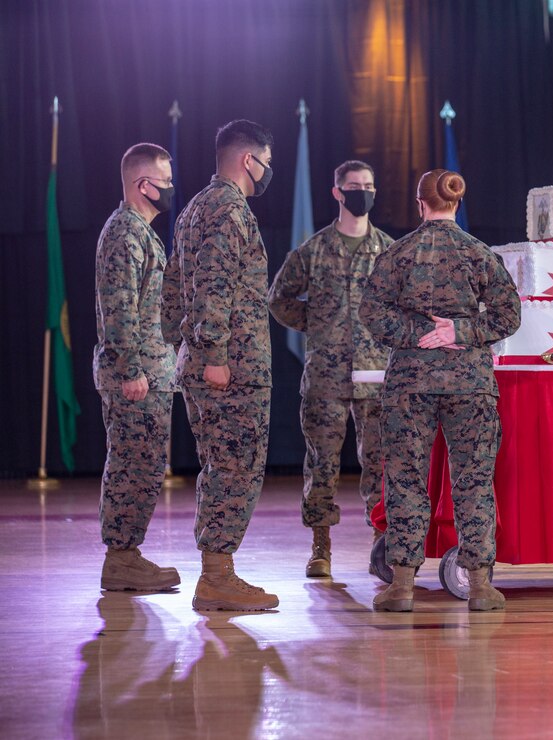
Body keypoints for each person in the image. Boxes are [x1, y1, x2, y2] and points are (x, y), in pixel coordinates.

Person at [360, 169, 521, 612]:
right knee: (474, 482)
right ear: (456, 203)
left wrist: (416, 333)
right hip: (470, 384)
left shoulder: (398, 252)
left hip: (410, 385)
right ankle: (482, 587)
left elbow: (371, 313)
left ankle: (402, 587)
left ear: (420, 203)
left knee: (406, 481)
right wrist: (461, 331)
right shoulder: (479, 253)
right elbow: (509, 314)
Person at [162, 119, 279, 611]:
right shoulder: (230, 211)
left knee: (219, 465)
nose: (267, 171)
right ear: (246, 160)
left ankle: (217, 571)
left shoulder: (192, 210)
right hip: (230, 367)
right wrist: (211, 356)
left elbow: (171, 287)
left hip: (206, 360)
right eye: (266, 162)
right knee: (235, 466)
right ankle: (217, 577)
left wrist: (177, 346)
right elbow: (214, 287)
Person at [268, 160, 394, 578]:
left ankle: (382, 543)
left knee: (379, 463)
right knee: (321, 463)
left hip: (376, 376)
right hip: (325, 376)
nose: (364, 192)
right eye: (355, 186)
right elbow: (279, 298)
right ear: (337, 192)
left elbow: (404, 304)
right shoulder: (314, 250)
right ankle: (320, 546)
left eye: (370, 185)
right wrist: (318, 324)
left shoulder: (389, 251)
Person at [94, 143, 180, 592]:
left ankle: (127, 554)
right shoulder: (125, 232)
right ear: (143, 185)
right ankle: (122, 558)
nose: (170, 190)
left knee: (145, 466)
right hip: (137, 377)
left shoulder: (140, 233)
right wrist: (130, 370)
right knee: (133, 465)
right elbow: (119, 309)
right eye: (165, 182)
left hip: (151, 374)